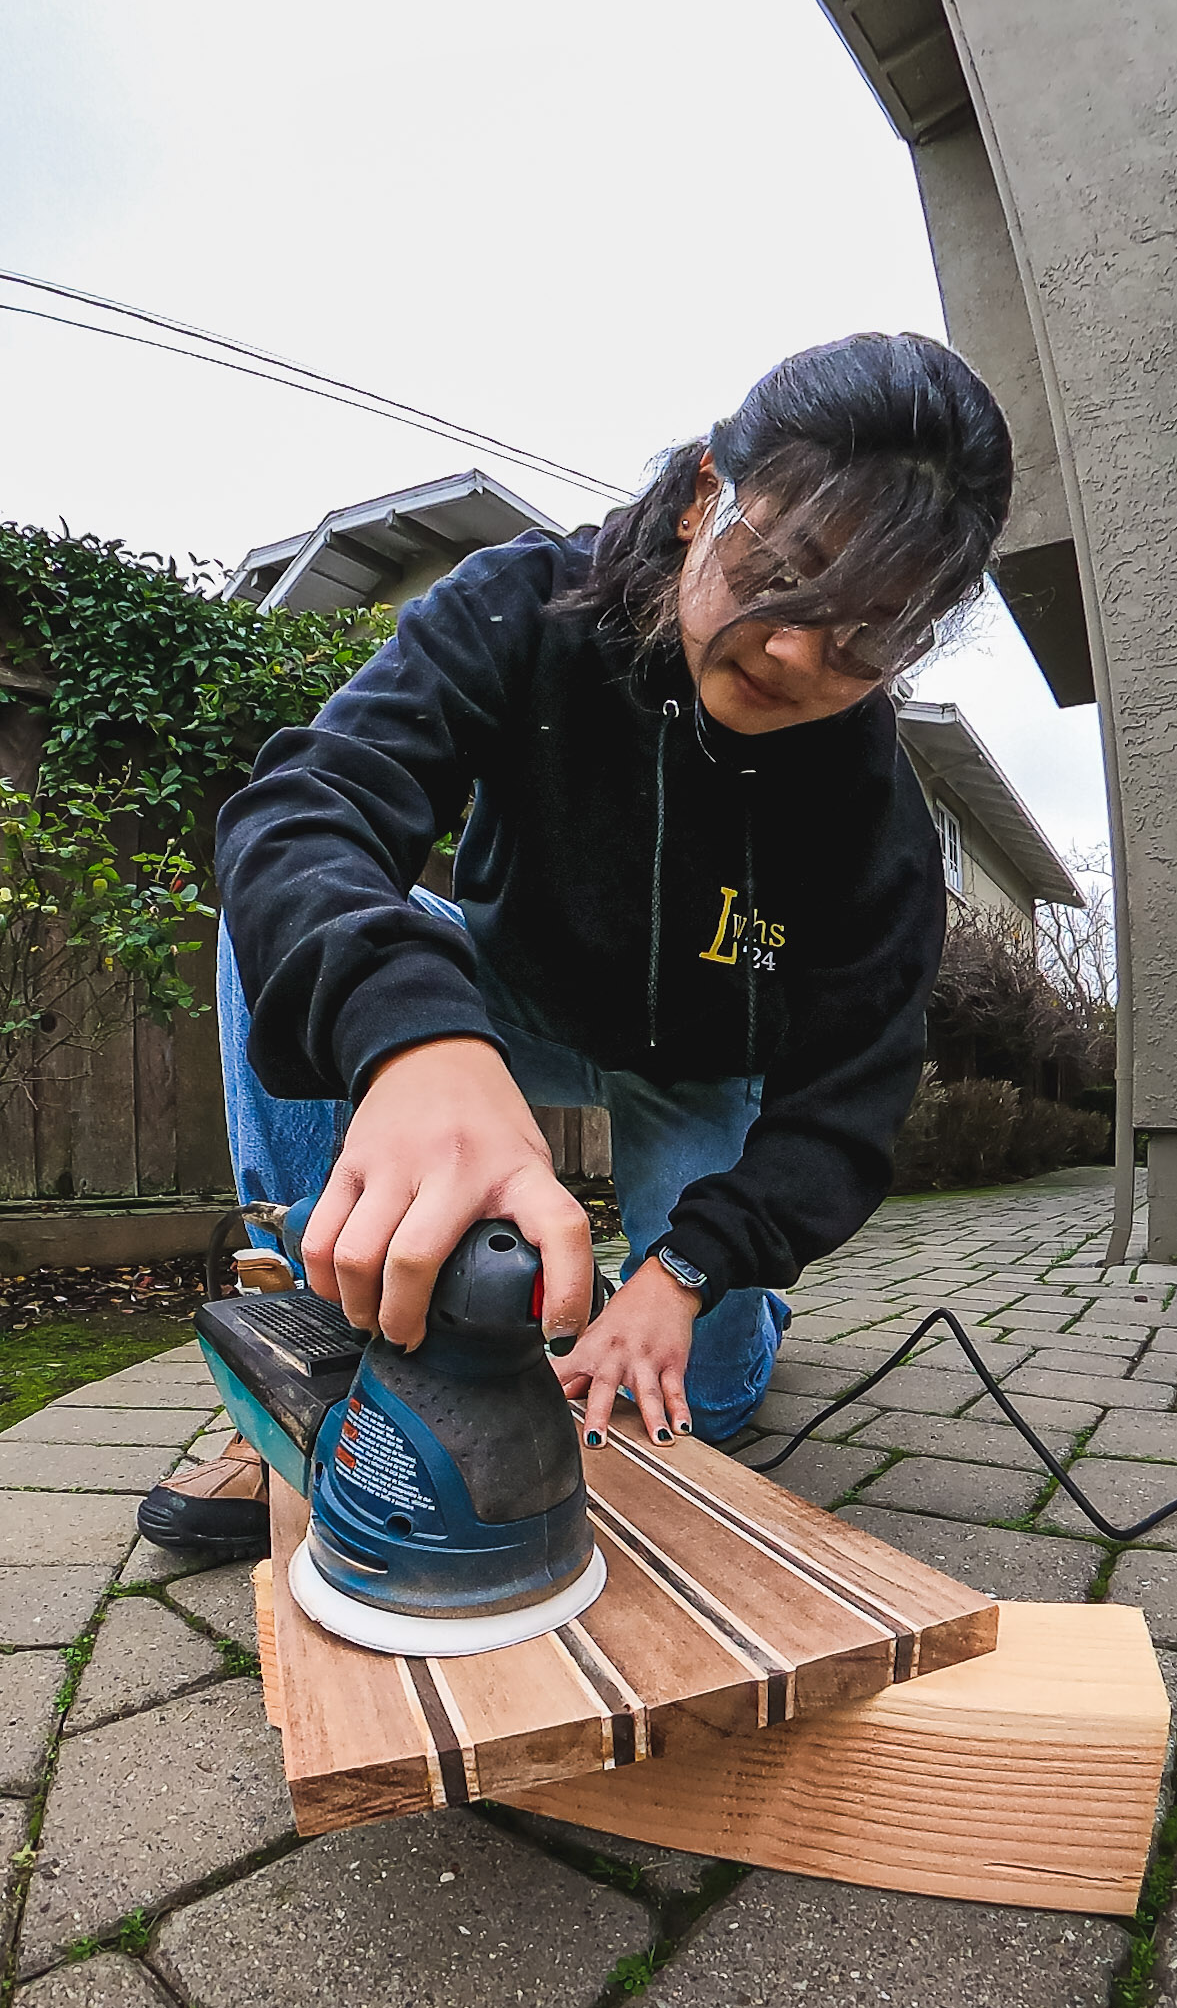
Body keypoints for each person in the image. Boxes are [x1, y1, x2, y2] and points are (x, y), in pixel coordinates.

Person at [138, 331, 1012, 1554]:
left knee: (689, 1401)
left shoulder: (870, 806)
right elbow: (307, 809)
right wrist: (416, 1040)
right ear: (708, 492)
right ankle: (317, 1352)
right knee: (270, 926)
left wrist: (695, 1271)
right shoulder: (520, 603)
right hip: (514, 1000)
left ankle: (713, 1311)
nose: (798, 652)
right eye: (783, 573)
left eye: (869, 633)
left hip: (705, 1061)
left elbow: (851, 1092)